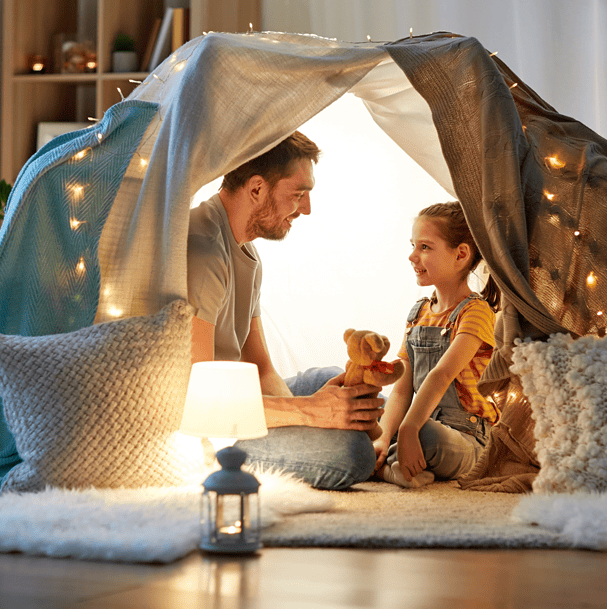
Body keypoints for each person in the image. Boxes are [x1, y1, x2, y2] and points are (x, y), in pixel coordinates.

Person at [187, 131, 388, 490]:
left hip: (243, 400)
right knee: (352, 453)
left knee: (335, 382)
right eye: (298, 194)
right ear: (256, 189)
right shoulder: (203, 251)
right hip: (212, 424)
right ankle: (383, 449)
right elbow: (199, 399)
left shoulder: (247, 252)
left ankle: (397, 441)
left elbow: (260, 367)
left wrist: (318, 409)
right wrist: (310, 412)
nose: (306, 208)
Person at [373, 201, 501, 488]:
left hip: (465, 436)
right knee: (367, 416)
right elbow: (402, 389)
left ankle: (385, 466)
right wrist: (383, 436)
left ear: (461, 254)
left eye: (425, 247)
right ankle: (390, 463)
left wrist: (407, 429)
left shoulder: (476, 312)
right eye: (413, 245)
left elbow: (441, 375)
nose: (412, 256)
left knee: (427, 437)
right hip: (419, 420)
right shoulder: (418, 313)